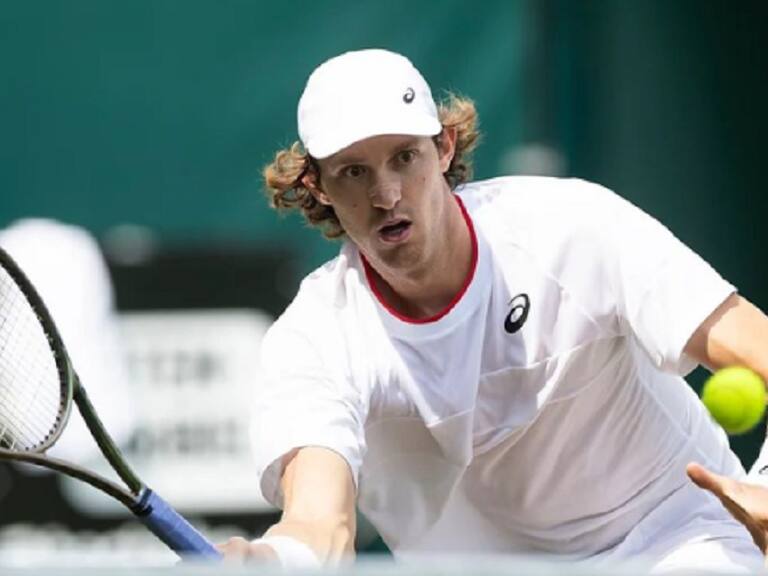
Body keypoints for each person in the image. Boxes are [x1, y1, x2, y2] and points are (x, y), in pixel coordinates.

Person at [219, 49, 768, 572]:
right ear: (316, 185)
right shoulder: (315, 338)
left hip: (678, 538)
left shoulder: (574, 228)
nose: (386, 194)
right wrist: (271, 562)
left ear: (444, 149)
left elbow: (755, 344)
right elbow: (322, 525)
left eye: (404, 157)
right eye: (353, 172)